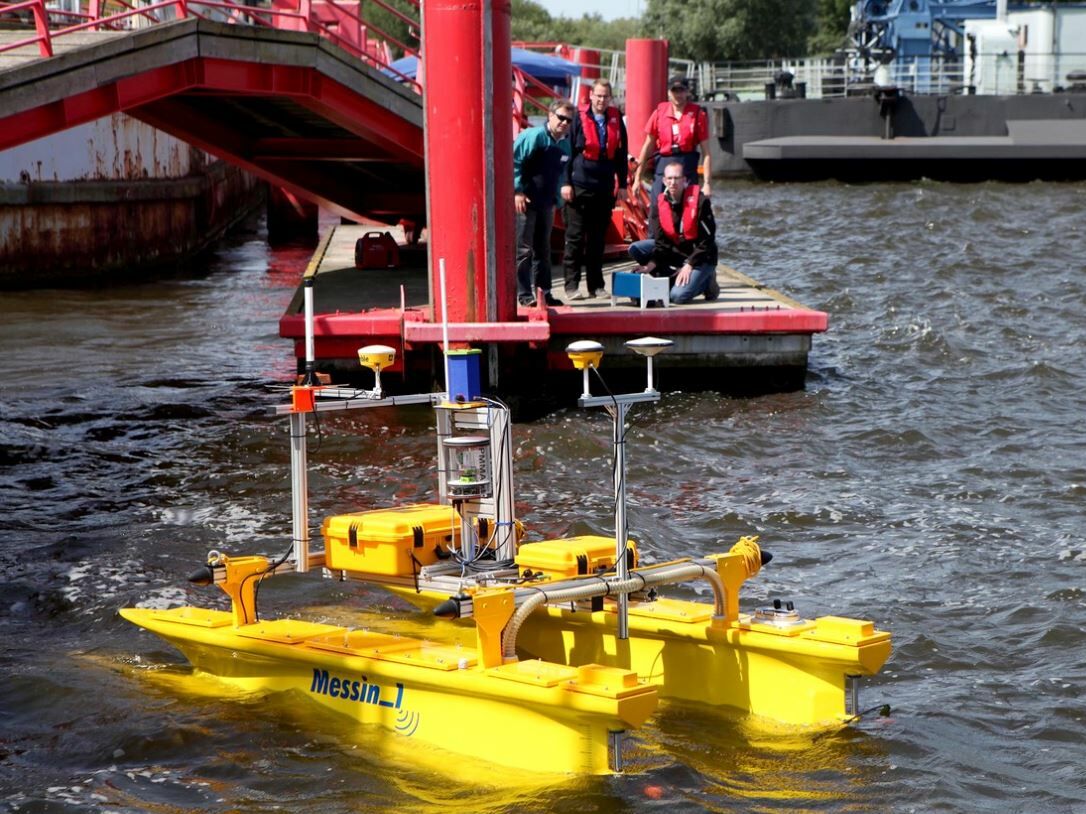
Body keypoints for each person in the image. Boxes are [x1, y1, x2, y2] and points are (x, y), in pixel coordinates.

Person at [560, 79, 628, 300]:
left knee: (598, 239)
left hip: (604, 186)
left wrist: (623, 184)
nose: (601, 100)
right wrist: (565, 183)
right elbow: (567, 152)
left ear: (610, 98)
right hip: (579, 185)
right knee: (575, 237)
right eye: (598, 96)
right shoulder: (578, 118)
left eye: (605, 97)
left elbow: (621, 154)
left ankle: (596, 286)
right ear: (591, 96)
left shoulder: (616, 119)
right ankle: (571, 286)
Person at [629, 159, 719, 304]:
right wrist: (650, 265)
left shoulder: (701, 202)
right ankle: (672, 276)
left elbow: (708, 240)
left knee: (677, 297)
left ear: (684, 180)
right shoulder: (659, 205)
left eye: (677, 178)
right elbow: (661, 243)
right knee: (635, 249)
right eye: (669, 178)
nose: (673, 182)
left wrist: (689, 264)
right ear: (664, 181)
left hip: (701, 256)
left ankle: (707, 282)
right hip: (676, 251)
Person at [513, 99, 574, 307]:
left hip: (546, 203)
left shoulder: (565, 145)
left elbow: (558, 175)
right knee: (523, 249)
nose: (564, 123)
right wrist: (517, 191)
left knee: (543, 250)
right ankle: (524, 294)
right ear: (550, 115)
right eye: (561, 117)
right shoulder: (534, 136)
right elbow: (515, 162)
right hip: (526, 201)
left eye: (569, 120)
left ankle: (544, 293)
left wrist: (556, 200)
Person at [635, 75, 712, 234]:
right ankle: (654, 247)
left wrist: (707, 183)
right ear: (669, 93)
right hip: (664, 163)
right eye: (674, 91)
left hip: (687, 165)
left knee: (689, 209)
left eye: (681, 91)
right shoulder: (659, 112)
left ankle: (687, 248)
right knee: (657, 207)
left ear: (687, 92)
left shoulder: (698, 114)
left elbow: (707, 153)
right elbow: (647, 146)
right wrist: (637, 178)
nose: (678, 95)